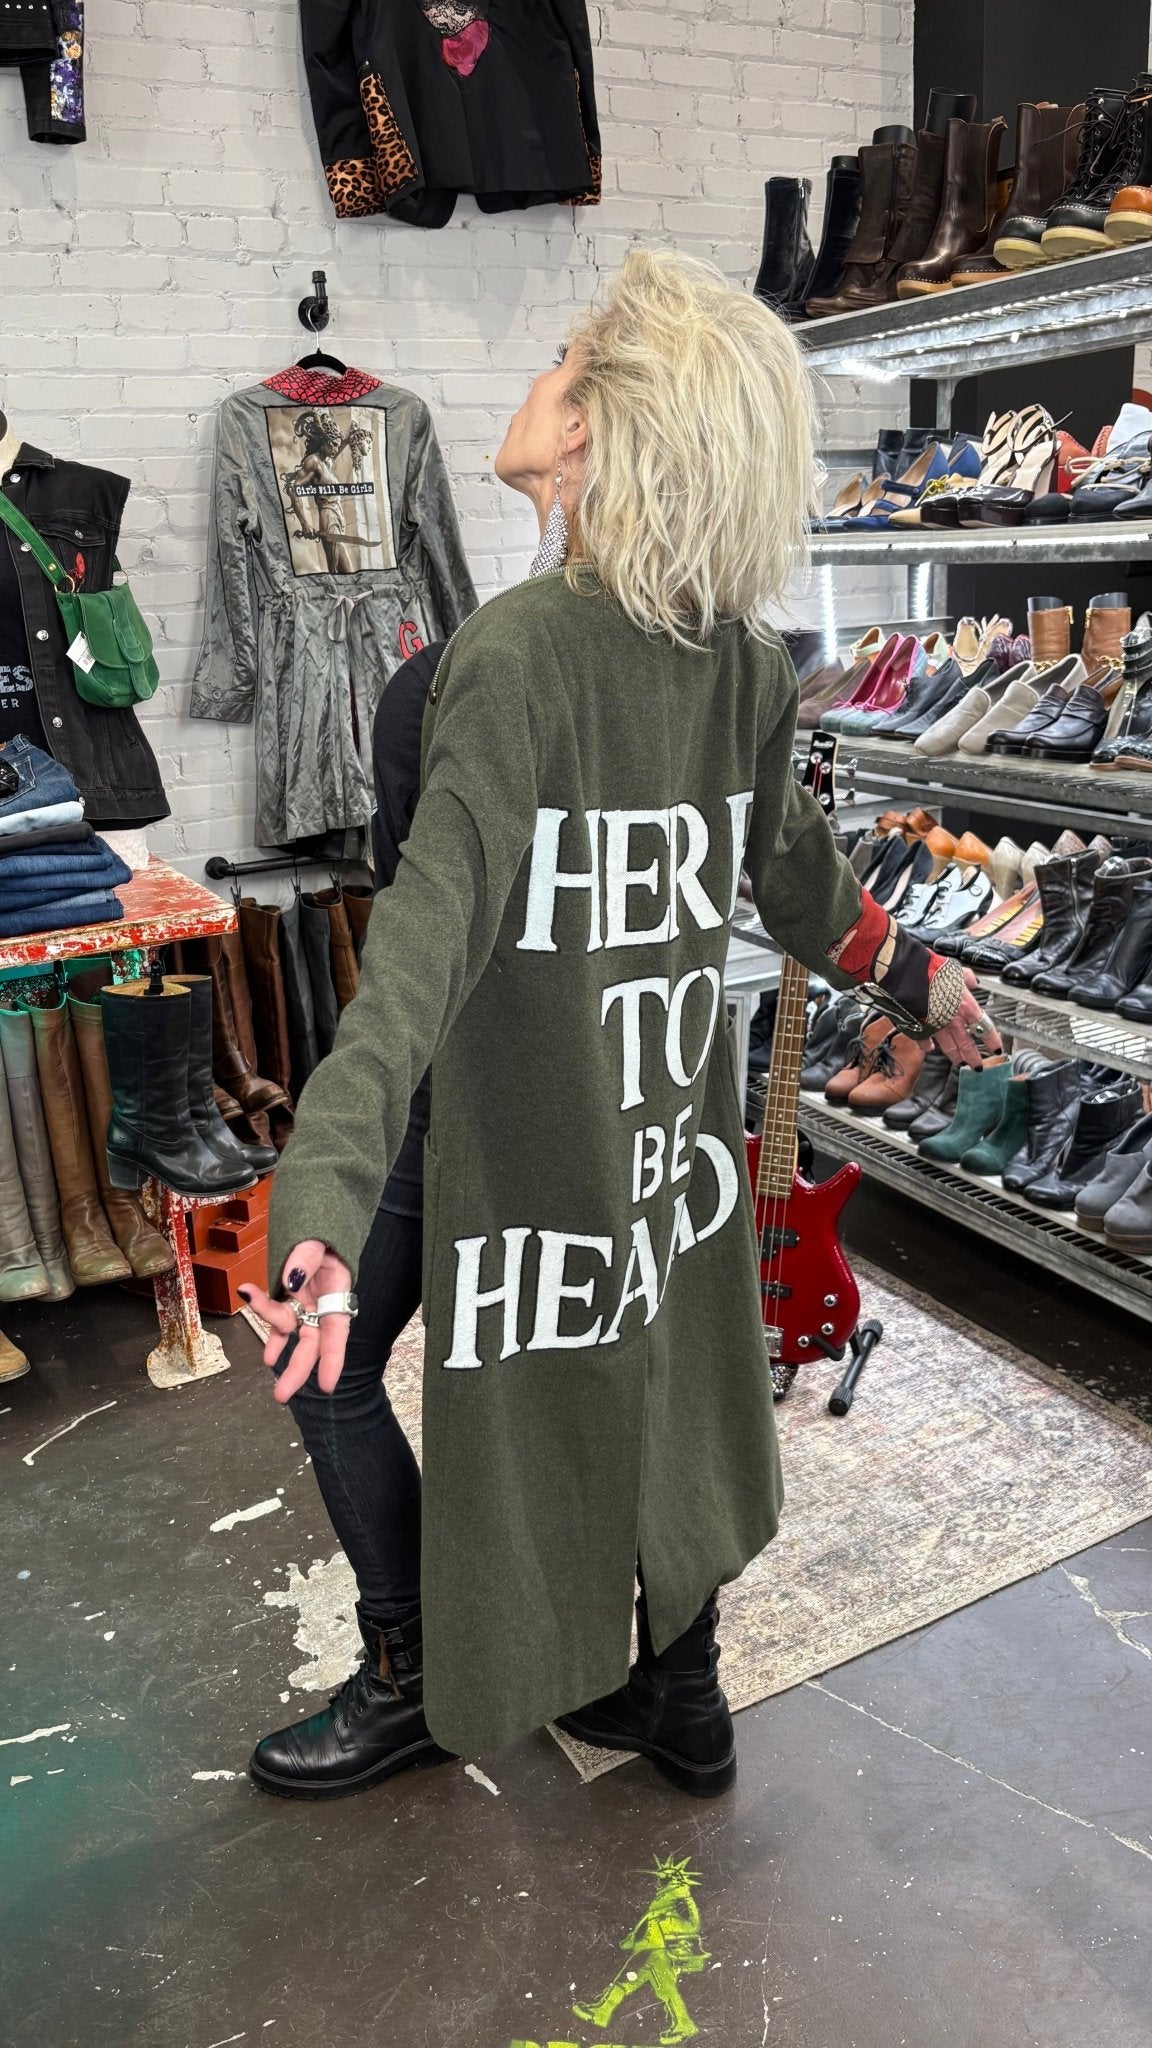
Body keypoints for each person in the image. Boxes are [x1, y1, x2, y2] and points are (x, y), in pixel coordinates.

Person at [242, 249, 995, 1802]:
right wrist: (920, 980)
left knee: (350, 1367)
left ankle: (416, 1665)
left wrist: (317, 1190)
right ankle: (680, 1693)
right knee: (654, 1353)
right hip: (658, 1126)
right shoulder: (734, 661)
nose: (535, 382)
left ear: (592, 426)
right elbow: (803, 881)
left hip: (512, 1116)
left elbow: (418, 945)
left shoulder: (498, 662)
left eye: (561, 358)